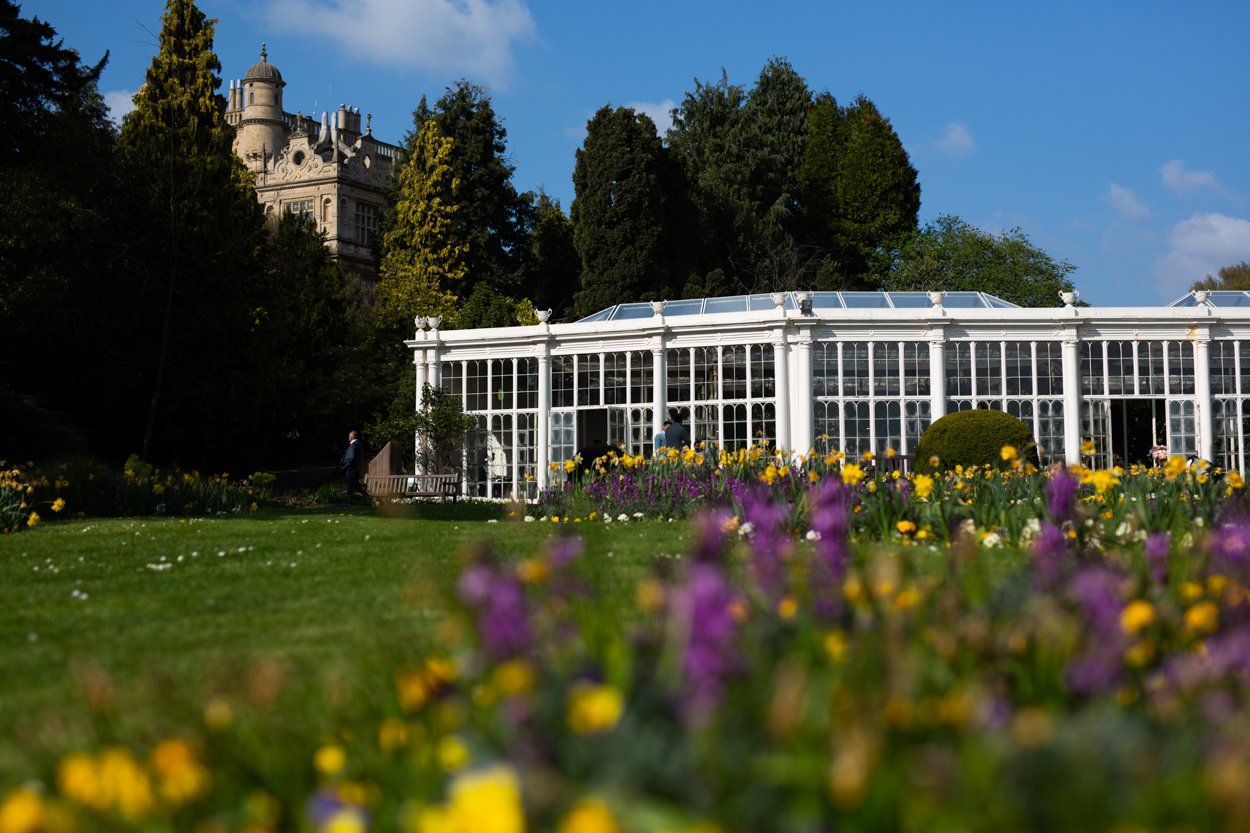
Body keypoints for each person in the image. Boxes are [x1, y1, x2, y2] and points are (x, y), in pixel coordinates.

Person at [340, 430, 371, 501]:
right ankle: (363, 497)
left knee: (351, 484)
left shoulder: (353, 445)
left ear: (351, 437)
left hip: (351, 469)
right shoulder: (359, 444)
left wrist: (345, 466)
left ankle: (352, 499)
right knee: (355, 484)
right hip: (357, 468)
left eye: (349, 436)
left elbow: (351, 457)